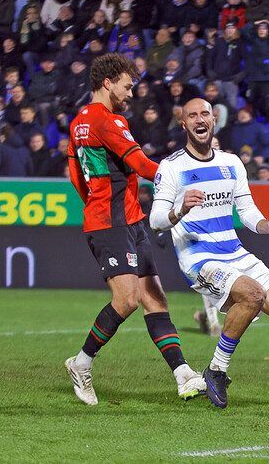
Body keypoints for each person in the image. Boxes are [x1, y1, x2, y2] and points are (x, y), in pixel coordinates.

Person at [150, 98, 269, 410]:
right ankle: (217, 370)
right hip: (199, 259)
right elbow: (155, 221)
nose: (199, 119)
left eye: (204, 113)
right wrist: (180, 209)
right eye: (191, 115)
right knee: (252, 294)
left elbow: (247, 212)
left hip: (235, 252)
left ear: (214, 120)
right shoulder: (172, 167)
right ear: (184, 124)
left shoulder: (232, 163)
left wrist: (266, 226)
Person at [64, 53, 206, 406]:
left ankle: (182, 372)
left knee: (154, 297)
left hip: (125, 219)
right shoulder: (108, 120)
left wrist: (96, 200)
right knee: (126, 299)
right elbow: (142, 165)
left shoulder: (79, 121)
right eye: (128, 87)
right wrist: (184, 172)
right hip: (112, 221)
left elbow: (74, 174)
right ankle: (81, 363)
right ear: (108, 82)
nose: (131, 94)